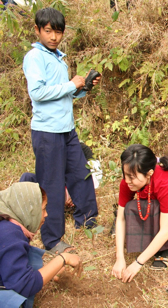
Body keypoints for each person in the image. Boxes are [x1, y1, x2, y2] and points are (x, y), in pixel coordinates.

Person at [22, 8, 101, 253]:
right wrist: (70, 84)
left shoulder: (58, 57)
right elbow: (37, 93)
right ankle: (53, 240)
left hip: (67, 129)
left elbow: (65, 94)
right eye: (48, 31)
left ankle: (87, 220)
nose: (54, 37)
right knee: (52, 184)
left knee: (81, 174)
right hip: (47, 132)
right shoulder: (35, 57)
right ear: (37, 30)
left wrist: (83, 87)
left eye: (58, 32)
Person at [112, 145, 168, 283]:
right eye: (125, 175)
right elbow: (120, 219)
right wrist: (120, 258)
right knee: (131, 207)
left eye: (132, 177)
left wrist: (138, 263)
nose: (127, 181)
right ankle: (154, 242)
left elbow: (166, 230)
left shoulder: (165, 184)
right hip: (158, 206)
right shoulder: (128, 181)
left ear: (149, 173)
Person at [0, 182, 82, 308]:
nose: (46, 214)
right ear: (29, 210)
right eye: (43, 208)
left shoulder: (8, 226)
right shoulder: (9, 235)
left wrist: (50, 269)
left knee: (30, 254)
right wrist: (63, 259)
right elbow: (25, 285)